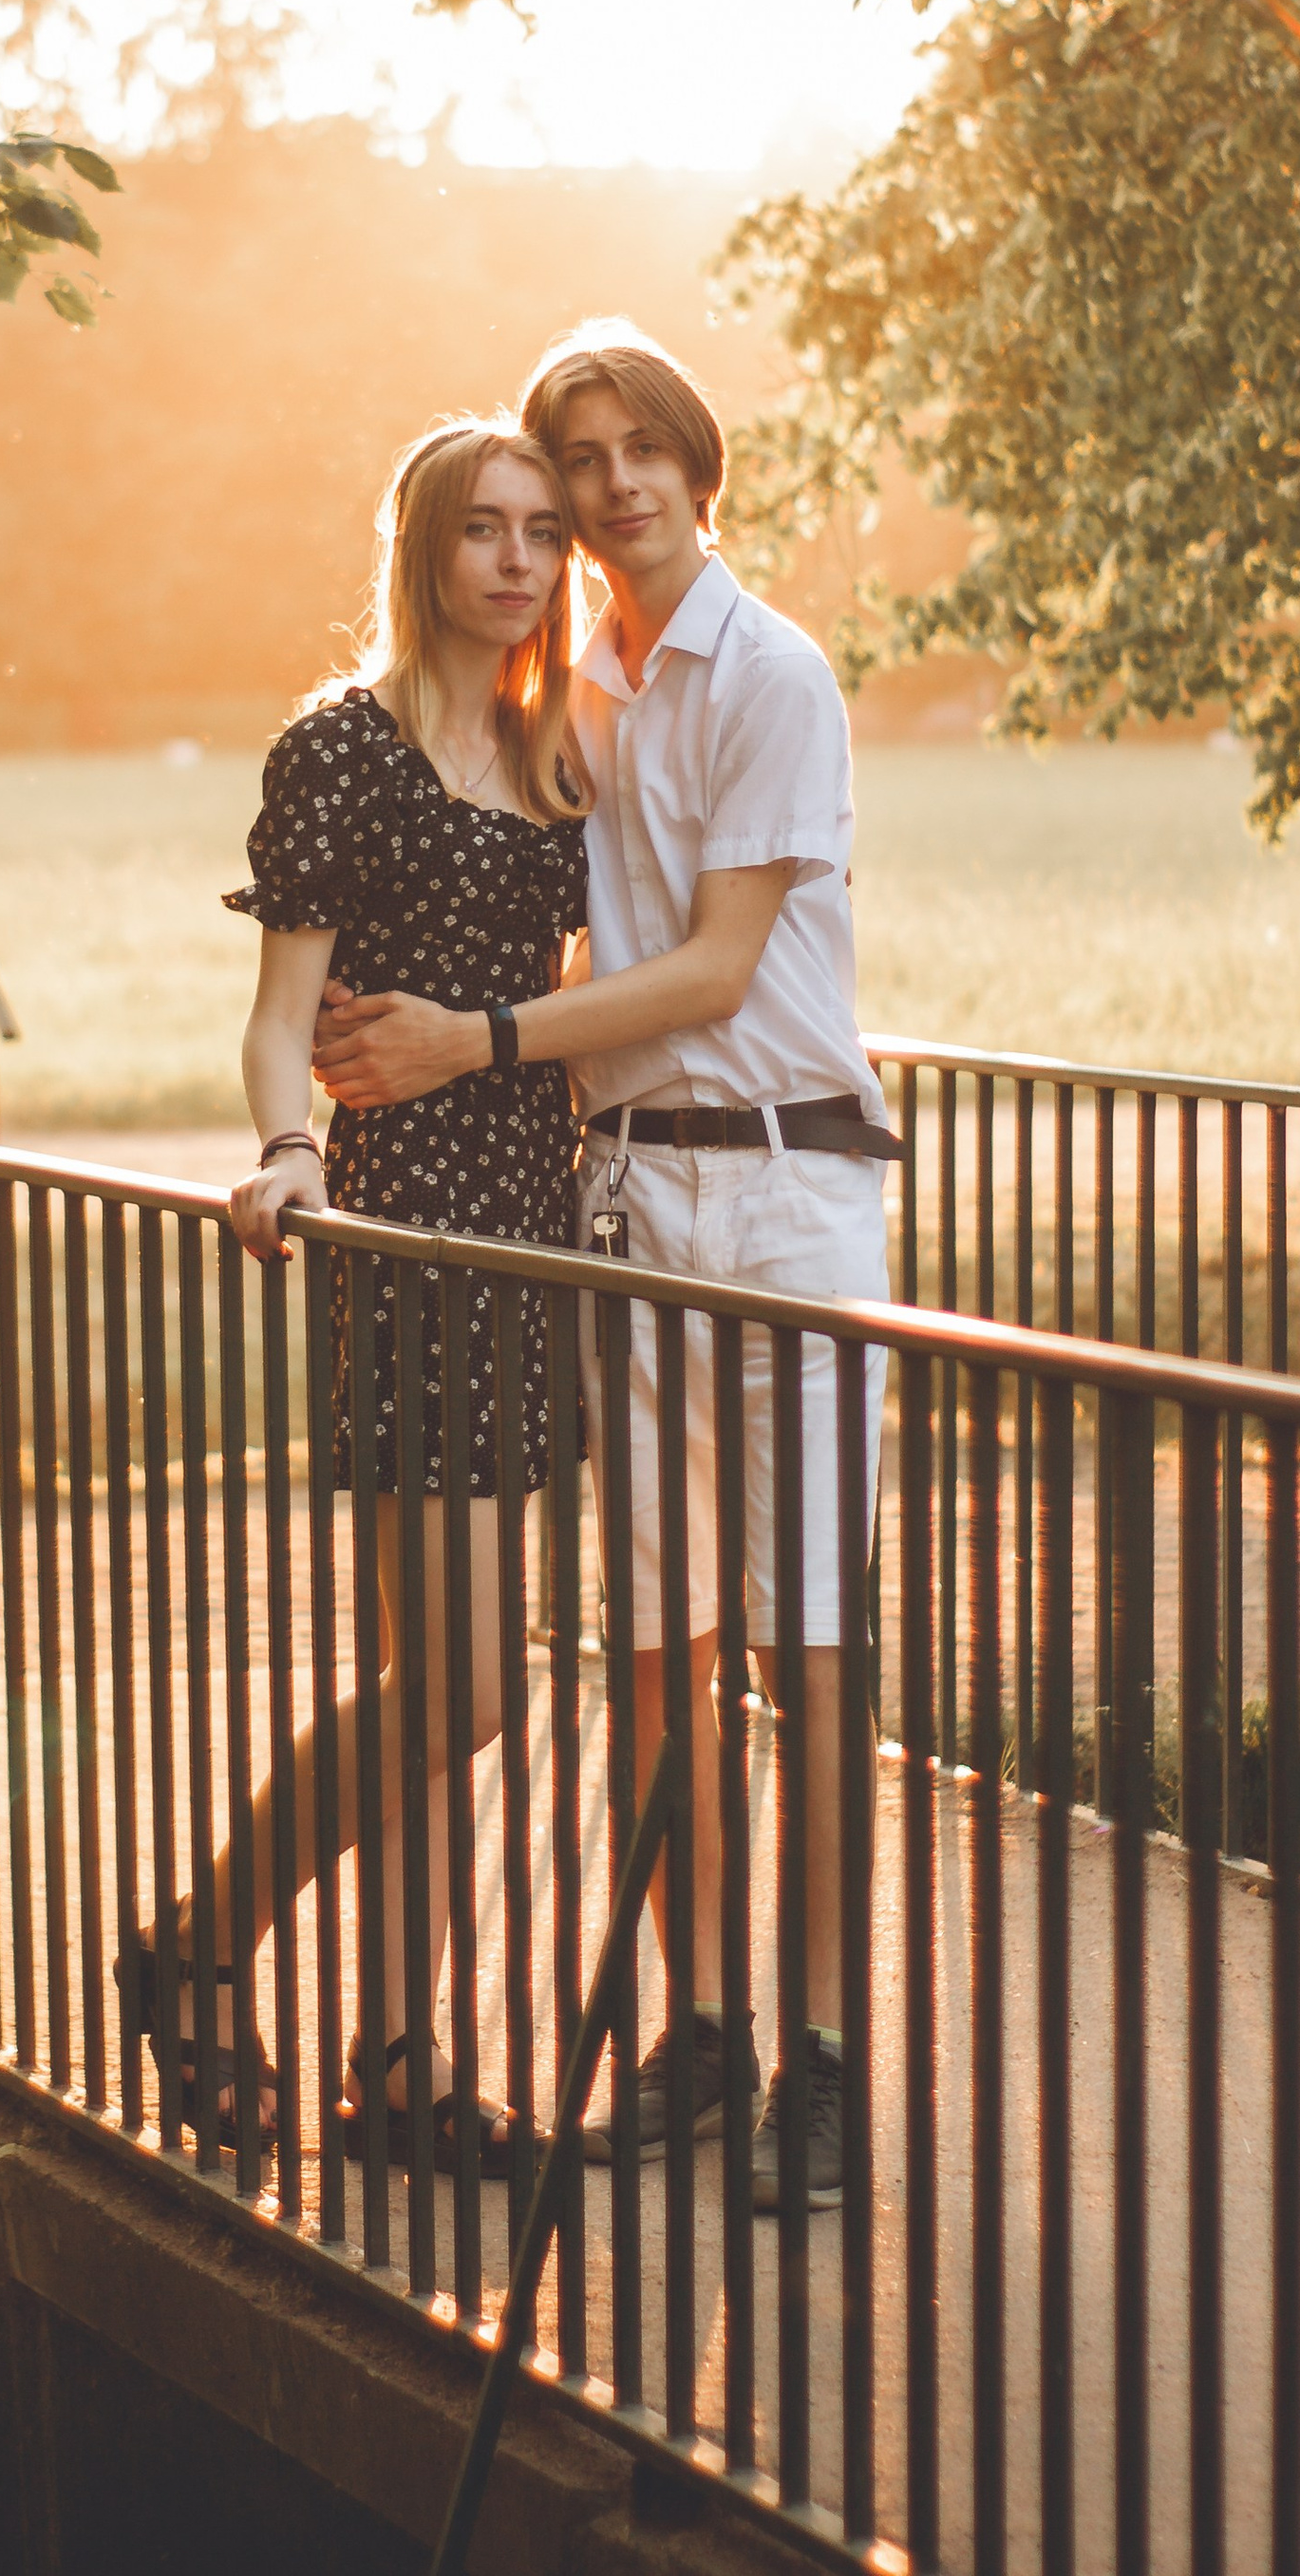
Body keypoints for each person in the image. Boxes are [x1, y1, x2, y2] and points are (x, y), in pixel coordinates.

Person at [316, 321, 896, 2213]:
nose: (613, 479)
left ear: (694, 467)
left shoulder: (770, 671)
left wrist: (468, 1041)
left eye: (643, 444)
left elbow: (722, 972)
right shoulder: (576, 688)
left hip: (790, 1201)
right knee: (657, 1658)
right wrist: (338, 1039)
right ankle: (699, 2025)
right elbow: (446, 821)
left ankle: (815, 2061)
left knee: (805, 1653)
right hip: (627, 1205)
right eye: (581, 453)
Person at [120, 412, 590, 2165]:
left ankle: (400, 2069)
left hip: (527, 1230)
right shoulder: (341, 749)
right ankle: (195, 1943)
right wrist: (288, 1154)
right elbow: (278, 1012)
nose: (520, 558)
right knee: (467, 1687)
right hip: (400, 1229)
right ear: (422, 547)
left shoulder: (557, 752)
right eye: (484, 527)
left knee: (426, 1693)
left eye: (544, 529)